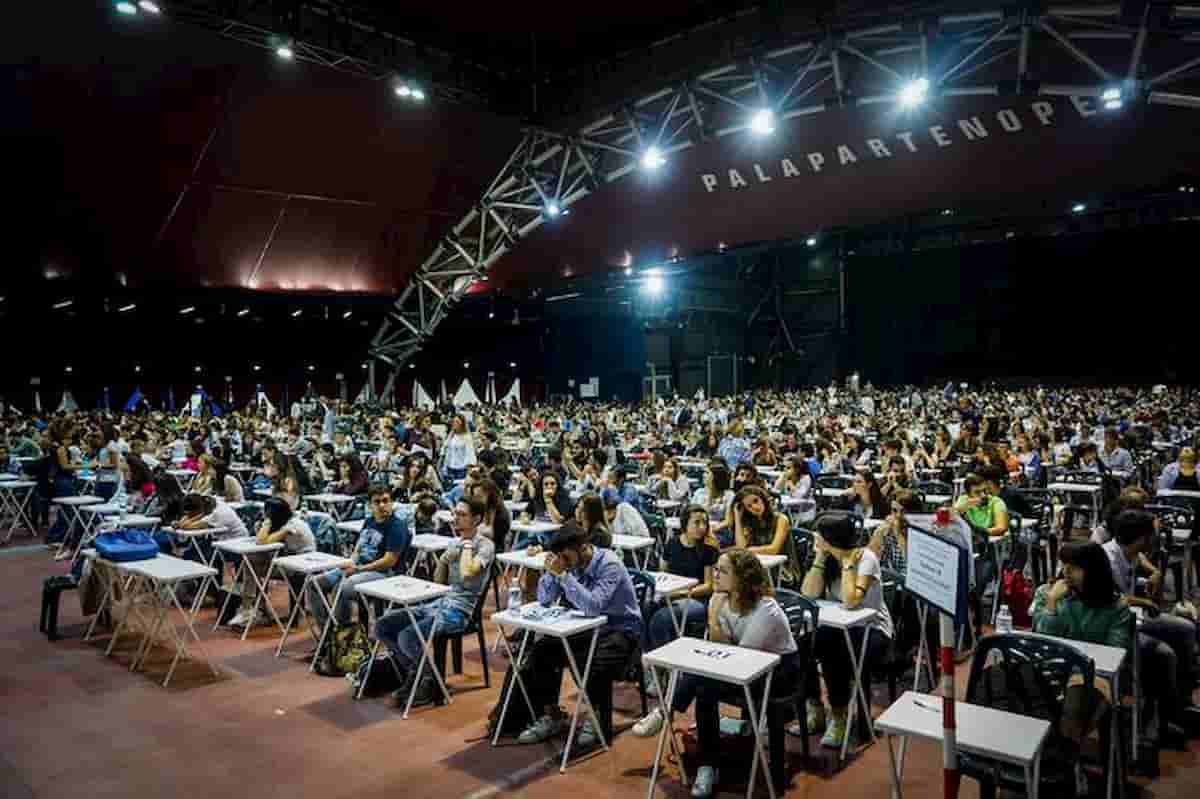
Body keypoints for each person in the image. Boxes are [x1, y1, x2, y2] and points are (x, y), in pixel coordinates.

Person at [632, 549, 798, 798]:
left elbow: (741, 659)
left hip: (777, 674)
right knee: (704, 686)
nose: (715, 575)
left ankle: (665, 712)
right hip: (740, 667)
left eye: (723, 571)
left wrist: (713, 619)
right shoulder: (720, 600)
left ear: (742, 577)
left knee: (705, 679)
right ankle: (707, 766)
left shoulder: (767, 610)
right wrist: (714, 616)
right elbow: (720, 653)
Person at [516, 524, 641, 751]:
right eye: (559, 557)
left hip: (621, 629)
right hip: (588, 628)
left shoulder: (609, 564)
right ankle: (552, 715)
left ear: (583, 548)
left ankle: (598, 722)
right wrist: (551, 574)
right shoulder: (569, 564)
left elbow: (594, 606)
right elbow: (544, 599)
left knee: (589, 661)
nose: (562, 561)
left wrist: (563, 576)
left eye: (565, 556)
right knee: (542, 651)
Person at [1030, 541, 1133, 794]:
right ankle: (1038, 762)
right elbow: (1041, 638)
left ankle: (1065, 769)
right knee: (1009, 680)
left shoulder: (1117, 607)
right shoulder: (1047, 593)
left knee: (1076, 693)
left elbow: (1115, 654)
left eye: (1074, 567)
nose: (1066, 572)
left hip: (1094, 675)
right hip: (1051, 668)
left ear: (1094, 571)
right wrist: (1053, 603)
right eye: (1064, 564)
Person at [372, 496, 494, 706]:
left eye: (462, 515)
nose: (455, 518)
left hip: (460, 612)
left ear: (477, 519)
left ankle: (427, 681)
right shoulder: (455, 542)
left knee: (407, 636)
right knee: (383, 626)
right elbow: (438, 583)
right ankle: (421, 674)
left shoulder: (485, 546)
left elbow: (467, 574)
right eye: (455, 513)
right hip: (438, 604)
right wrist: (444, 560)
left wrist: (464, 546)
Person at [1102, 509, 1198, 741]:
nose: (1156, 538)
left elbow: (1139, 560)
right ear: (1141, 538)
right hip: (1115, 624)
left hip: (1134, 616)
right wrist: (1143, 600)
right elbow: (1113, 598)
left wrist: (1153, 572)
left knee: (1186, 629)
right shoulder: (1108, 560)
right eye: (1152, 535)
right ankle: (1161, 720)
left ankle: (1182, 704)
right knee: (1164, 654)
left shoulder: (1130, 550)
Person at [801, 512, 892, 749]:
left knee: (833, 649)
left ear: (831, 538)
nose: (814, 539)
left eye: (818, 536)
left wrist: (848, 563)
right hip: (837, 625)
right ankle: (815, 707)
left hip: (873, 629)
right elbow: (808, 594)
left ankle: (840, 717)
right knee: (801, 645)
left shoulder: (866, 558)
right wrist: (820, 558)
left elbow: (851, 601)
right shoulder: (826, 557)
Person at [306, 484, 411, 635]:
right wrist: (350, 562)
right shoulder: (369, 521)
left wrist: (357, 570)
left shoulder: (397, 527)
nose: (382, 505)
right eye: (377, 502)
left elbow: (389, 561)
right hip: (358, 567)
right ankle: (328, 634)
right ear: (370, 505)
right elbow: (358, 549)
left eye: (386, 500)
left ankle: (344, 636)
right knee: (313, 584)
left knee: (342, 588)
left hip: (383, 573)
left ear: (391, 502)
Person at [638, 504, 717, 660]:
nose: (701, 527)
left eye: (704, 523)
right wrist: (669, 593)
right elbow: (663, 575)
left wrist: (683, 593)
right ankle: (648, 656)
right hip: (671, 594)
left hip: (696, 598)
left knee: (660, 619)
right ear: (685, 524)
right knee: (644, 608)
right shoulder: (672, 544)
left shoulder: (709, 550)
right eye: (697, 522)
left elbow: (709, 586)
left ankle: (666, 663)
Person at [233, 497, 316, 628]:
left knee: (251, 565)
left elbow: (261, 541)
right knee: (250, 561)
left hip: (302, 564)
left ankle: (250, 607)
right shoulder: (282, 523)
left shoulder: (292, 525)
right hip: (288, 559)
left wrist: (266, 523)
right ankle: (254, 607)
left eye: (266, 512)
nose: (263, 514)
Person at [441, 414, 477, 483]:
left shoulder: (467, 437)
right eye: (454, 422)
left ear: (462, 424)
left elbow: (470, 453)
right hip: (450, 467)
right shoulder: (451, 435)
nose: (455, 424)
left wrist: (469, 468)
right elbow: (446, 448)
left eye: (457, 422)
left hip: (461, 469)